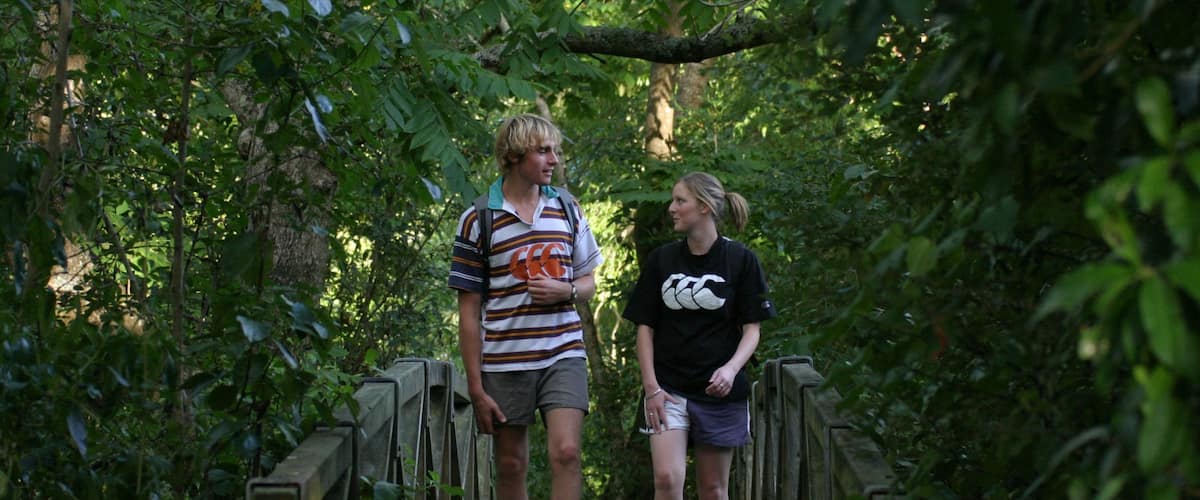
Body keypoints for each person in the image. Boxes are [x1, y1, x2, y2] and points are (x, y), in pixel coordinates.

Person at [447, 114, 603, 499]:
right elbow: (468, 312)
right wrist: (475, 386)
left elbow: (588, 282)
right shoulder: (478, 219)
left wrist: (564, 291)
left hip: (562, 354)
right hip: (504, 360)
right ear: (515, 155)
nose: (554, 160)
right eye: (544, 151)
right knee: (511, 464)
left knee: (567, 453)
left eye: (556, 151)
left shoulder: (567, 208)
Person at [622, 172, 776, 500]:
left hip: (720, 393)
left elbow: (752, 330)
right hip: (668, 389)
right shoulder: (662, 260)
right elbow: (644, 327)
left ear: (704, 207)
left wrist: (731, 369)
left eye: (681, 201)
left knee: (714, 489)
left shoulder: (741, 260)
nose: (671, 208)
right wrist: (651, 389)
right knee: (666, 479)